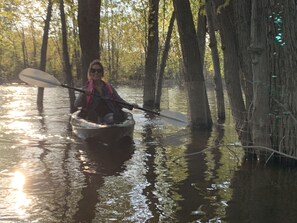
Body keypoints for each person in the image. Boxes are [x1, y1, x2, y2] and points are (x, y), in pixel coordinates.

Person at [74, 59, 137, 124]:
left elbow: (119, 100)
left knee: (113, 117)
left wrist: (130, 105)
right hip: (94, 118)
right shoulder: (86, 88)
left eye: (99, 71)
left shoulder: (109, 87)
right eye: (93, 71)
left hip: (110, 114)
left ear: (102, 73)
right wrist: (83, 95)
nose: (96, 73)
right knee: (108, 118)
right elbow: (76, 104)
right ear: (90, 73)